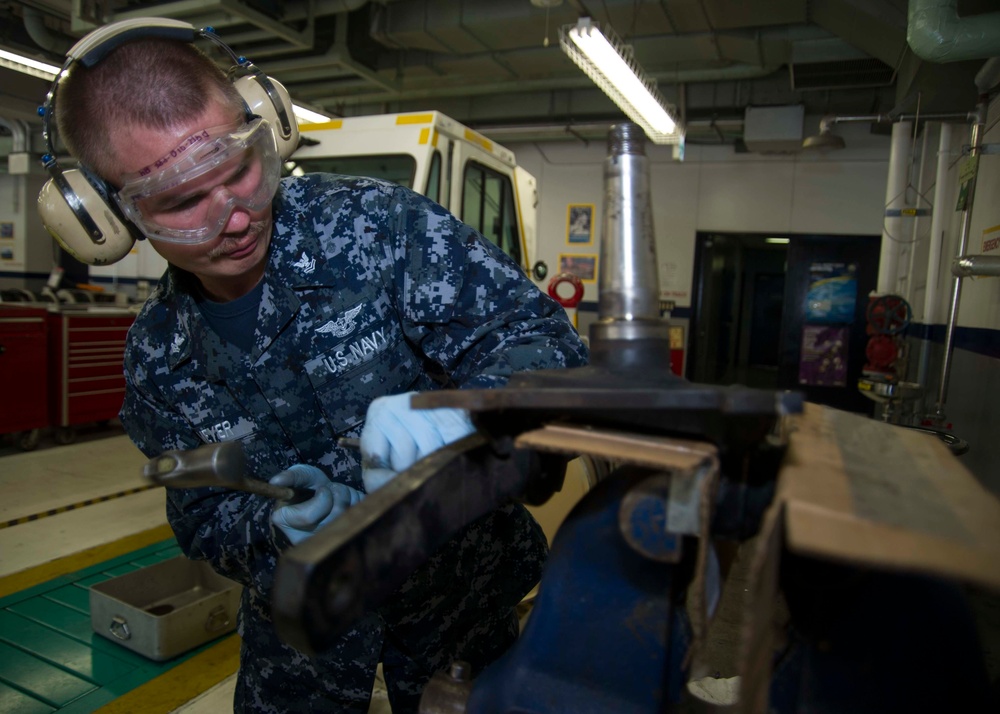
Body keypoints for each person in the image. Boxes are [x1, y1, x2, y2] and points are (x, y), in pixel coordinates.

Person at [54, 33, 588, 713]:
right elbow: (203, 517)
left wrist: (472, 411)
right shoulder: (158, 359)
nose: (237, 215)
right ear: (111, 217)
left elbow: (542, 343)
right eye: (184, 202)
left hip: (463, 617)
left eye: (242, 166)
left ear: (265, 127)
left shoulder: (382, 229)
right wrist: (274, 525)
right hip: (301, 654)